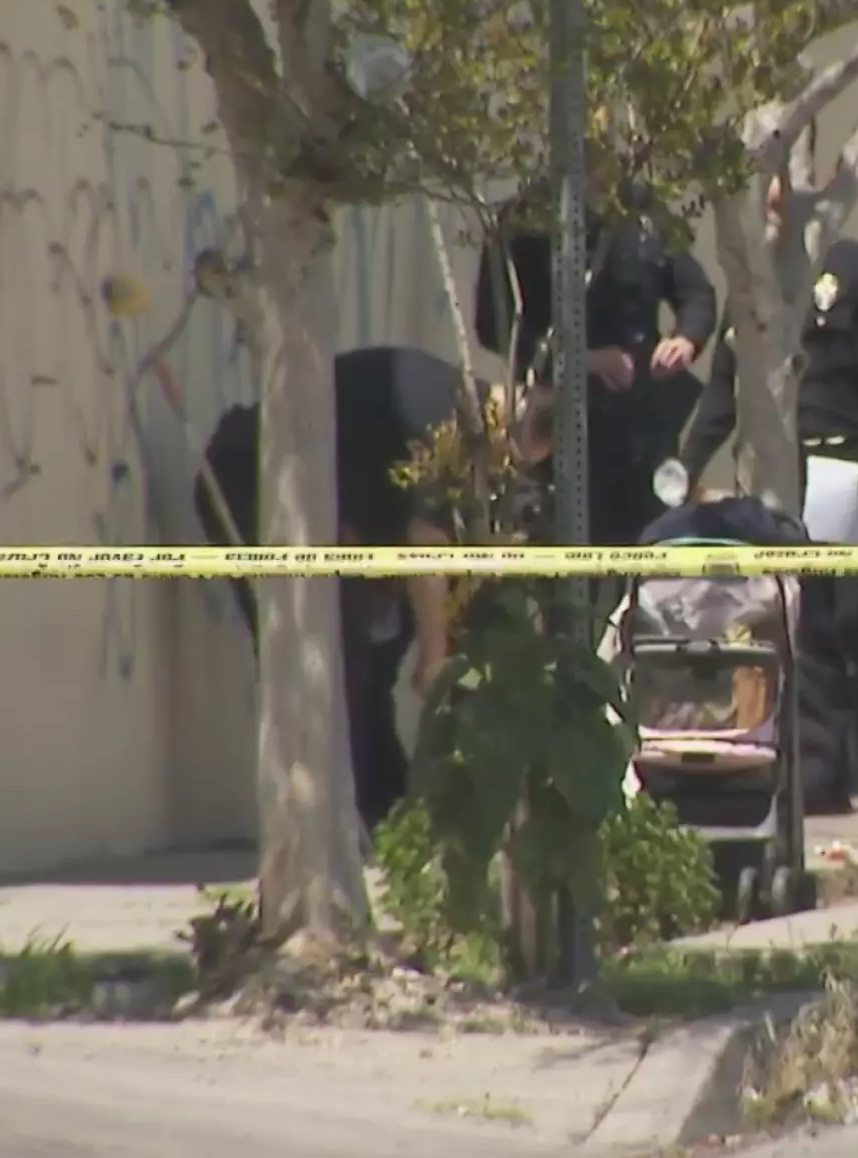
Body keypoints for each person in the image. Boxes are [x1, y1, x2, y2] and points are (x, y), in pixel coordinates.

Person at [192, 345, 553, 831]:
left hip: (331, 517)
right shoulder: (445, 420)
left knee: (373, 654)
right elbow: (426, 545)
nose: (507, 467)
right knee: (324, 655)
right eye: (514, 454)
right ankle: (321, 825)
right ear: (513, 410)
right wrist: (434, 656)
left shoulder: (468, 418)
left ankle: (385, 808)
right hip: (251, 480)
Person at [680, 178, 858, 815]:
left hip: (857, 474)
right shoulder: (753, 290)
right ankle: (821, 770)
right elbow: (723, 392)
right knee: (800, 622)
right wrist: (681, 462)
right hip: (783, 474)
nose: (773, 196)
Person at [473, 187, 719, 544]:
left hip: (640, 426)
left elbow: (696, 293)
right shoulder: (526, 218)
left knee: (648, 540)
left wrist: (684, 340)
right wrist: (581, 359)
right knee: (560, 544)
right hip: (555, 423)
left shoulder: (643, 213)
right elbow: (493, 323)